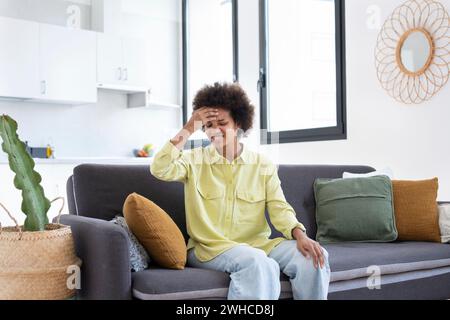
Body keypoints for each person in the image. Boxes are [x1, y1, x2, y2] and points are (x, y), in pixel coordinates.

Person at [150, 82, 330, 300]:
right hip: (210, 249)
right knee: (258, 263)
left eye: (222, 123)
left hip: (258, 245)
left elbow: (279, 208)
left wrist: (300, 235)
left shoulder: (262, 164)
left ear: (238, 124)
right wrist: (190, 127)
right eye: (208, 125)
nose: (215, 130)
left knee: (313, 257)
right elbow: (159, 168)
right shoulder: (193, 160)